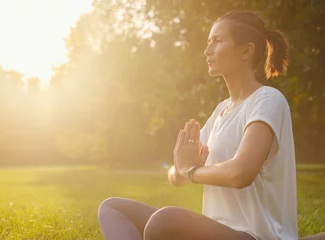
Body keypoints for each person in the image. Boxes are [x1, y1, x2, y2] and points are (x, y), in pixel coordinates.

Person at [97, 10, 325, 240]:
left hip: (255, 235)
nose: (207, 51)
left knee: (164, 221)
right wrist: (179, 166)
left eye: (217, 41)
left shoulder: (267, 100)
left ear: (246, 50)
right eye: (208, 42)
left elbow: (240, 173)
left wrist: (192, 172)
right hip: (217, 231)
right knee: (112, 207)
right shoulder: (221, 111)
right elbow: (178, 176)